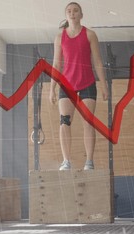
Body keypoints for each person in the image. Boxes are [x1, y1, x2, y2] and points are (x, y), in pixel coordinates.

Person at [49, 2, 108, 171]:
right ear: (66, 15)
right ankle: (66, 161)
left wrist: (104, 86)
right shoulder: (60, 37)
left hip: (87, 84)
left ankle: (89, 161)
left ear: (81, 15)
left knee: (88, 122)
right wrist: (52, 88)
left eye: (75, 11)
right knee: (64, 122)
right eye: (69, 11)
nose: (72, 13)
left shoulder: (90, 35)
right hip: (67, 85)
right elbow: (56, 63)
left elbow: (97, 61)